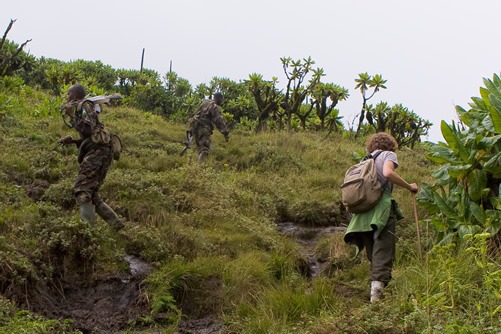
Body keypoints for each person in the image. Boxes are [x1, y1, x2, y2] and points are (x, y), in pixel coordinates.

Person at [343, 132, 418, 302]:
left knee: (374, 256)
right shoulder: (388, 154)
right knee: (383, 251)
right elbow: (388, 173)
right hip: (381, 209)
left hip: (362, 213)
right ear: (390, 145)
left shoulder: (364, 160)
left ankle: (375, 294)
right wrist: (409, 186)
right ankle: (376, 303)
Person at [59, 84, 124, 231]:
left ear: (75, 95)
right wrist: (73, 141)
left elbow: (89, 128)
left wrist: (71, 116)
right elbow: (91, 136)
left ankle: (87, 232)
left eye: (69, 94)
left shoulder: (85, 105)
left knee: (82, 190)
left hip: (98, 152)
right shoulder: (84, 106)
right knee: (91, 193)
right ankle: (116, 225)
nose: (67, 97)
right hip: (100, 151)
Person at [187, 92, 229, 162]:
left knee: (200, 149)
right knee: (204, 149)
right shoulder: (214, 106)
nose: (222, 101)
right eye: (222, 99)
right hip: (204, 128)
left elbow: (196, 113)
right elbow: (218, 120)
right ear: (219, 98)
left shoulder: (205, 103)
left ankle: (197, 166)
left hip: (196, 127)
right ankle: (199, 169)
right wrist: (225, 132)